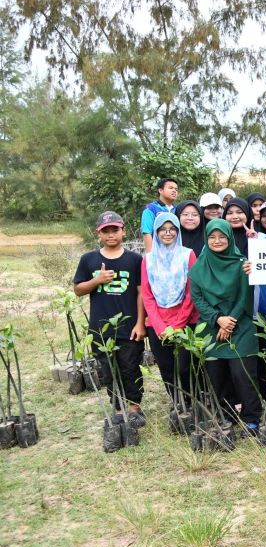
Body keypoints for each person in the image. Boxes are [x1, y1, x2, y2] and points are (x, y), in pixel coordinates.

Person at [73, 211, 147, 426]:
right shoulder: (89, 259)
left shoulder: (134, 259)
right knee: (108, 369)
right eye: (106, 231)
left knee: (130, 367)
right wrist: (97, 280)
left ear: (123, 231)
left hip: (130, 326)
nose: (111, 235)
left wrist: (140, 322)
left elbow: (142, 292)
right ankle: (117, 407)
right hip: (101, 328)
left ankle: (134, 407)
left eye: (115, 230)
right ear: (99, 234)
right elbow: (78, 289)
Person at [189, 219, 262, 434]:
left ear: (230, 238)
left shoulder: (242, 263)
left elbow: (245, 296)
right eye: (212, 237)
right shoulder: (200, 265)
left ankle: (252, 417)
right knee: (216, 375)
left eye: (222, 236)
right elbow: (197, 297)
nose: (217, 241)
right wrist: (217, 319)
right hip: (211, 327)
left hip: (241, 325)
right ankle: (227, 415)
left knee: (243, 375)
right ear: (206, 239)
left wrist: (229, 321)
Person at [139, 212, 198, 402]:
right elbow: (147, 295)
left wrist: (179, 325)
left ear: (178, 231)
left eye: (172, 229)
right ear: (156, 232)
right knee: (166, 367)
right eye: (163, 229)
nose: (168, 233)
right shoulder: (148, 259)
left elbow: (192, 292)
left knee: (185, 366)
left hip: (185, 321)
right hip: (158, 325)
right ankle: (176, 403)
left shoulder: (187, 254)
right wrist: (160, 327)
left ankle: (190, 402)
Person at [141, 177, 178, 253]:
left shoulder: (178, 209)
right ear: (160, 190)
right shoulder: (151, 208)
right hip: (157, 252)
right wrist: (150, 256)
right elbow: (147, 232)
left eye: (176, 189)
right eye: (171, 188)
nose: (174, 191)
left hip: (175, 253)